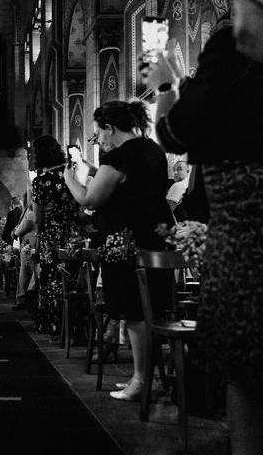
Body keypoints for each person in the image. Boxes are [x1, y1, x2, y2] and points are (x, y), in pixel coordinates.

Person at [142, 23, 263, 453]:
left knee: (246, 380)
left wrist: (167, 82)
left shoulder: (218, 110)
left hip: (239, 264)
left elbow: (169, 133)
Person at [63, 101, 173, 401]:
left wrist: (70, 179)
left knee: (136, 314)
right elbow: (130, 186)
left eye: (99, 132)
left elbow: (90, 199)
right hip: (154, 236)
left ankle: (140, 380)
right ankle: (147, 378)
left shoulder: (120, 156)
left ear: (110, 128)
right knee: (150, 310)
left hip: (126, 242)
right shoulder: (152, 150)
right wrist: (94, 169)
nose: (98, 139)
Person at [31, 136, 80, 337]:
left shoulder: (41, 182)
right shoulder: (72, 175)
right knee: (71, 277)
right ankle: (74, 323)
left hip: (51, 234)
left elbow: (37, 217)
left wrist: (39, 235)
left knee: (50, 278)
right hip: (72, 234)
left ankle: (53, 322)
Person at [12, 201, 38, 311]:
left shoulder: (31, 214)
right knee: (29, 272)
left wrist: (14, 232)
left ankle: (22, 299)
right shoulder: (32, 213)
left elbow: (20, 229)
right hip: (33, 244)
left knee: (24, 272)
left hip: (29, 245)